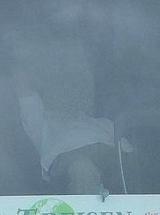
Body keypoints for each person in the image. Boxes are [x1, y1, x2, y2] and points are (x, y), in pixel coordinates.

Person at [14, 61, 117, 196]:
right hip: (69, 167)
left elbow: (127, 158)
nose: (67, 93)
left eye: (73, 89)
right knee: (82, 168)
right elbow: (22, 87)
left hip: (110, 164)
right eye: (59, 90)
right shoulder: (41, 124)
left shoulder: (106, 124)